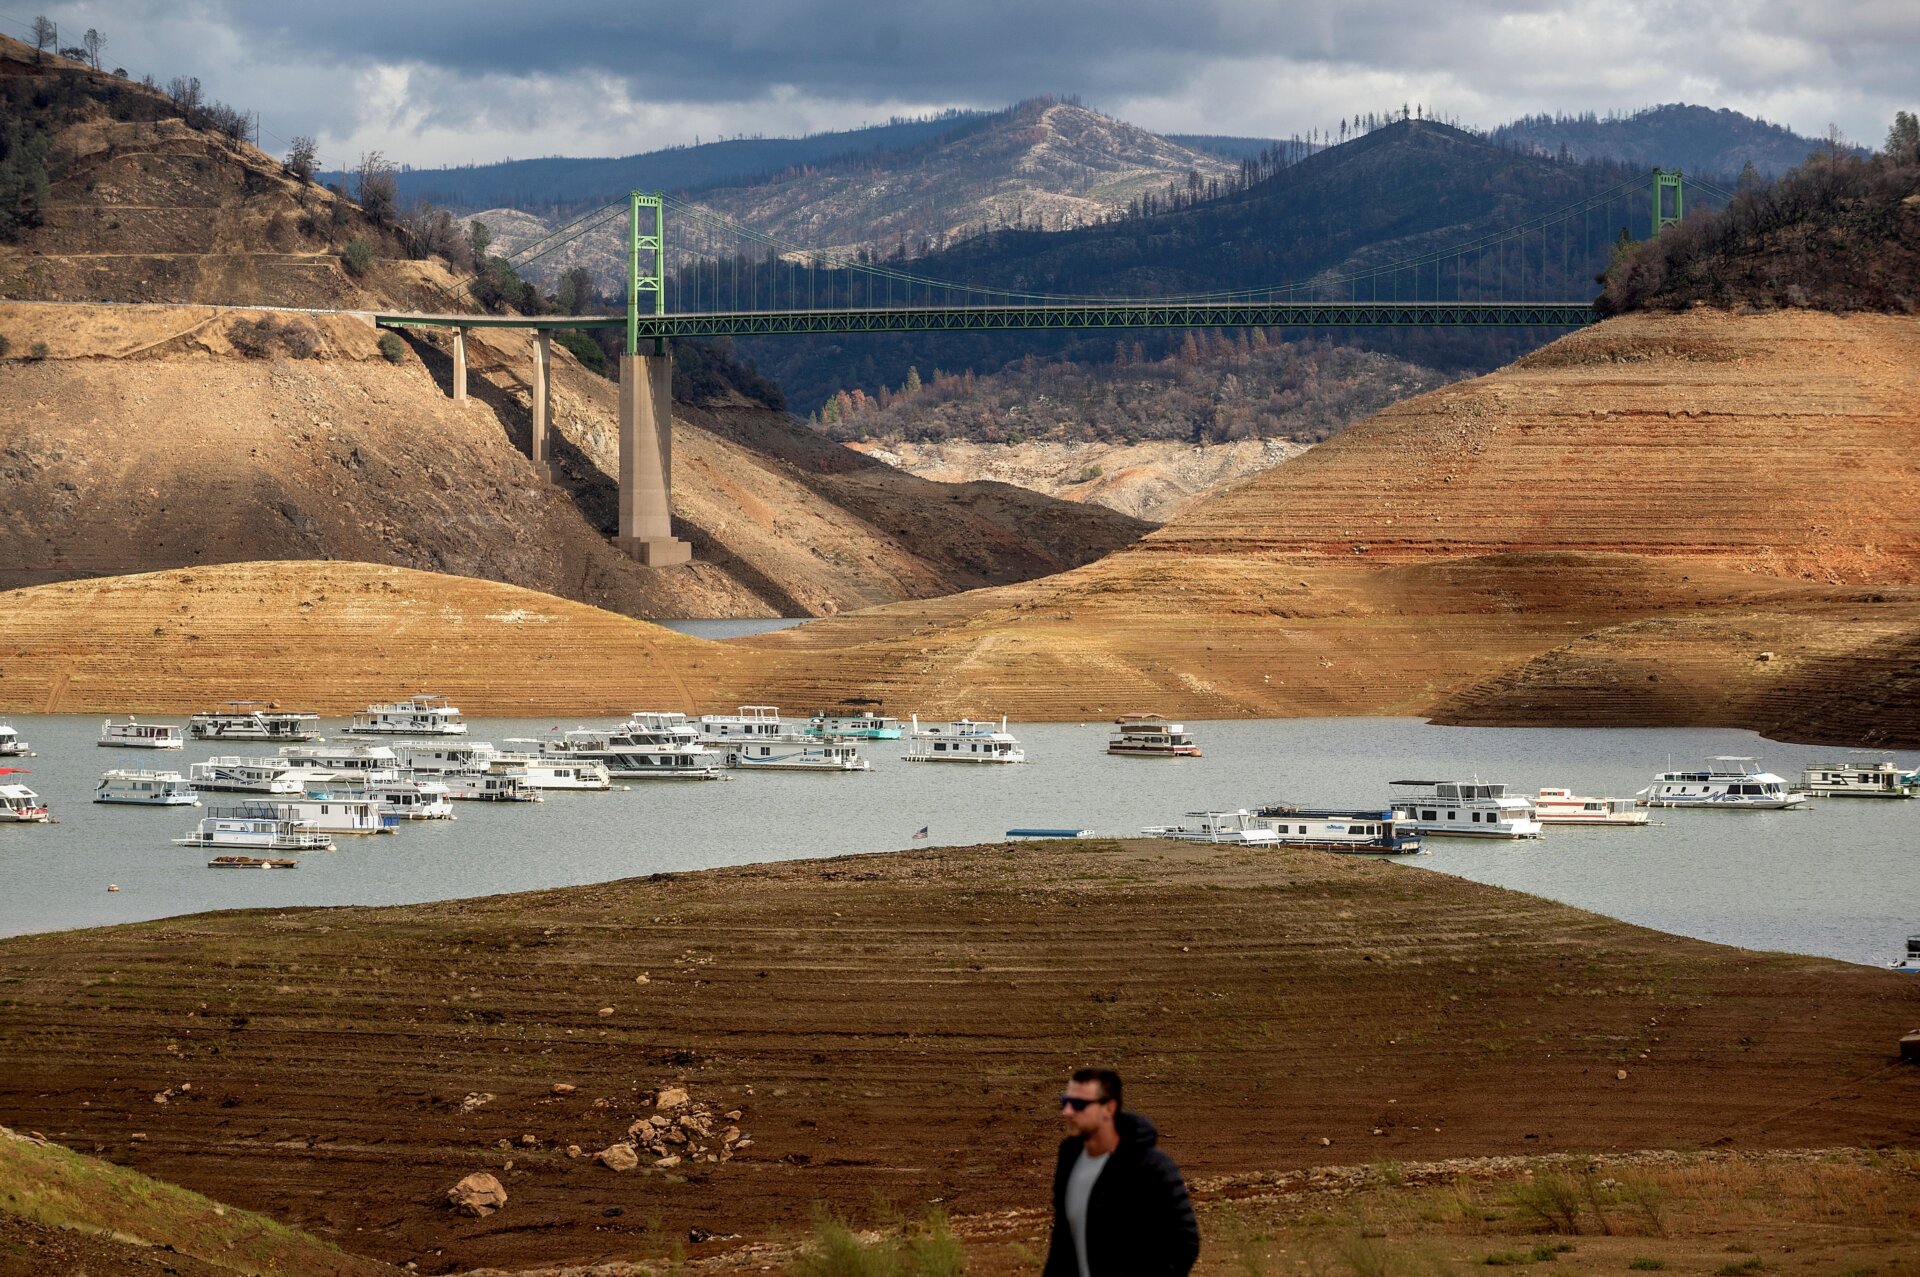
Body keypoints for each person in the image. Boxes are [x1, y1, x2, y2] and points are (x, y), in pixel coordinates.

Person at [1042, 1067, 1198, 1277]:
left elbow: (1185, 1243)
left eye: (1079, 1104)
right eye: (1065, 1101)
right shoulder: (1069, 1157)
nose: (1067, 1111)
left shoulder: (1151, 1166)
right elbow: (1063, 1237)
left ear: (1109, 1108)